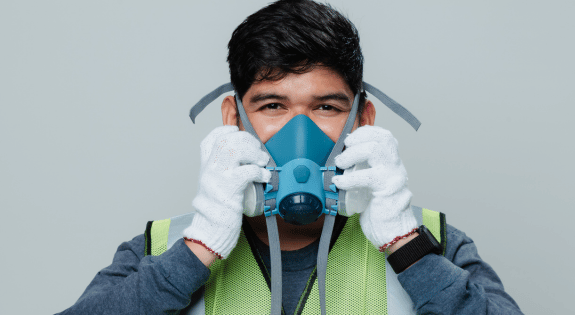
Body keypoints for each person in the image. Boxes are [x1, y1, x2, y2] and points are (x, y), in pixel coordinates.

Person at [58, 0, 523, 314]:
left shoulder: (435, 242)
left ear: (363, 121)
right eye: (272, 105)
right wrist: (198, 250)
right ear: (233, 119)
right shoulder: (162, 246)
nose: (300, 134)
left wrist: (406, 246)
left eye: (326, 106)